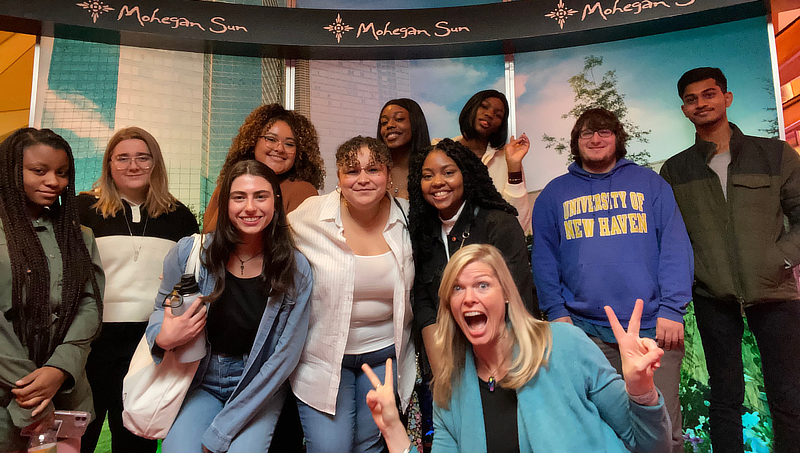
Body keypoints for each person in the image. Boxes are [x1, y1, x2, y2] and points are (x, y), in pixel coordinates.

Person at [363, 244, 672, 453]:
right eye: (457, 288)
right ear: (449, 305)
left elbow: (650, 446)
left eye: (482, 285)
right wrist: (392, 428)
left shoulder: (564, 344)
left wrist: (641, 390)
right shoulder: (451, 389)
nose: (469, 297)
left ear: (507, 295)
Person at [531, 107, 692, 453]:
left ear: (618, 138)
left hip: (653, 330)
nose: (596, 138)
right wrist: (557, 314)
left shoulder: (650, 183)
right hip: (585, 333)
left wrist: (672, 309)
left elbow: (676, 246)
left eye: (604, 132)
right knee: (601, 430)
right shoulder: (554, 194)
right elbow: (543, 259)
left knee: (664, 430)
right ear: (576, 142)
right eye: (586, 133)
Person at [660, 67, 800, 453]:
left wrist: (781, 258)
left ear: (727, 97)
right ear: (684, 110)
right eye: (691, 99)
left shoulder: (774, 153)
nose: (701, 104)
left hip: (775, 293)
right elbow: (671, 236)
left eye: (708, 94)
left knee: (789, 395)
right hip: (711, 296)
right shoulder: (675, 169)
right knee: (724, 397)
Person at [145, 160, 312, 453]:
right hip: (202, 377)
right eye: (239, 197)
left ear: (276, 201)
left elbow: (285, 356)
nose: (250, 207)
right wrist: (163, 337)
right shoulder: (191, 252)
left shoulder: (295, 269)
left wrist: (221, 434)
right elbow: (160, 309)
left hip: (258, 384)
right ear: (226, 203)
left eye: (260, 196)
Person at [288, 136, 415, 453]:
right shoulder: (310, 216)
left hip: (386, 356)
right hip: (324, 358)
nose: (363, 179)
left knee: (368, 446)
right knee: (330, 447)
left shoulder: (409, 218)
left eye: (373, 169)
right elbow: (257, 234)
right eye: (352, 171)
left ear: (387, 173)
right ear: (338, 176)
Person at [77, 127, 198, 453]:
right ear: (109, 164)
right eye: (123, 158)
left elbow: (189, 284)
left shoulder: (180, 218)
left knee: (135, 444)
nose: (133, 166)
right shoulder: (82, 211)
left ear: (155, 163)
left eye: (142, 157)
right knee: (77, 440)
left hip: (148, 347)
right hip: (88, 346)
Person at [0, 128, 104, 452]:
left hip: (66, 395)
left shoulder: (80, 235)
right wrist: (33, 389)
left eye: (62, 173)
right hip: (7, 394)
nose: (53, 181)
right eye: (39, 170)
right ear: (10, 170)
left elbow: (90, 306)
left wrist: (59, 369)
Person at [409, 138, 536, 370]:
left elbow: (518, 296)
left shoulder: (498, 224)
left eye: (448, 172)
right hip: (447, 355)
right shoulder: (422, 234)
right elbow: (425, 304)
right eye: (427, 176)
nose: (437, 182)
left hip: (505, 353)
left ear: (466, 175)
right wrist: (441, 368)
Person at [202, 103, 324, 231]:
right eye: (271, 139)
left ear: (299, 153)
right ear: (253, 141)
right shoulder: (226, 186)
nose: (279, 148)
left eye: (289, 144)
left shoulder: (302, 191)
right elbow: (207, 237)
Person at [450, 90, 532, 232]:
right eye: (484, 106)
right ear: (471, 109)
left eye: (498, 115)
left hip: (493, 249)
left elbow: (518, 224)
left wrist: (513, 167)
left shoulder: (506, 160)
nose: (489, 114)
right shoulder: (441, 153)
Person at [377, 98, 431, 199]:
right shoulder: (374, 171)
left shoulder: (430, 168)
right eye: (384, 122)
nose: (390, 125)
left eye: (399, 119)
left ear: (415, 124)